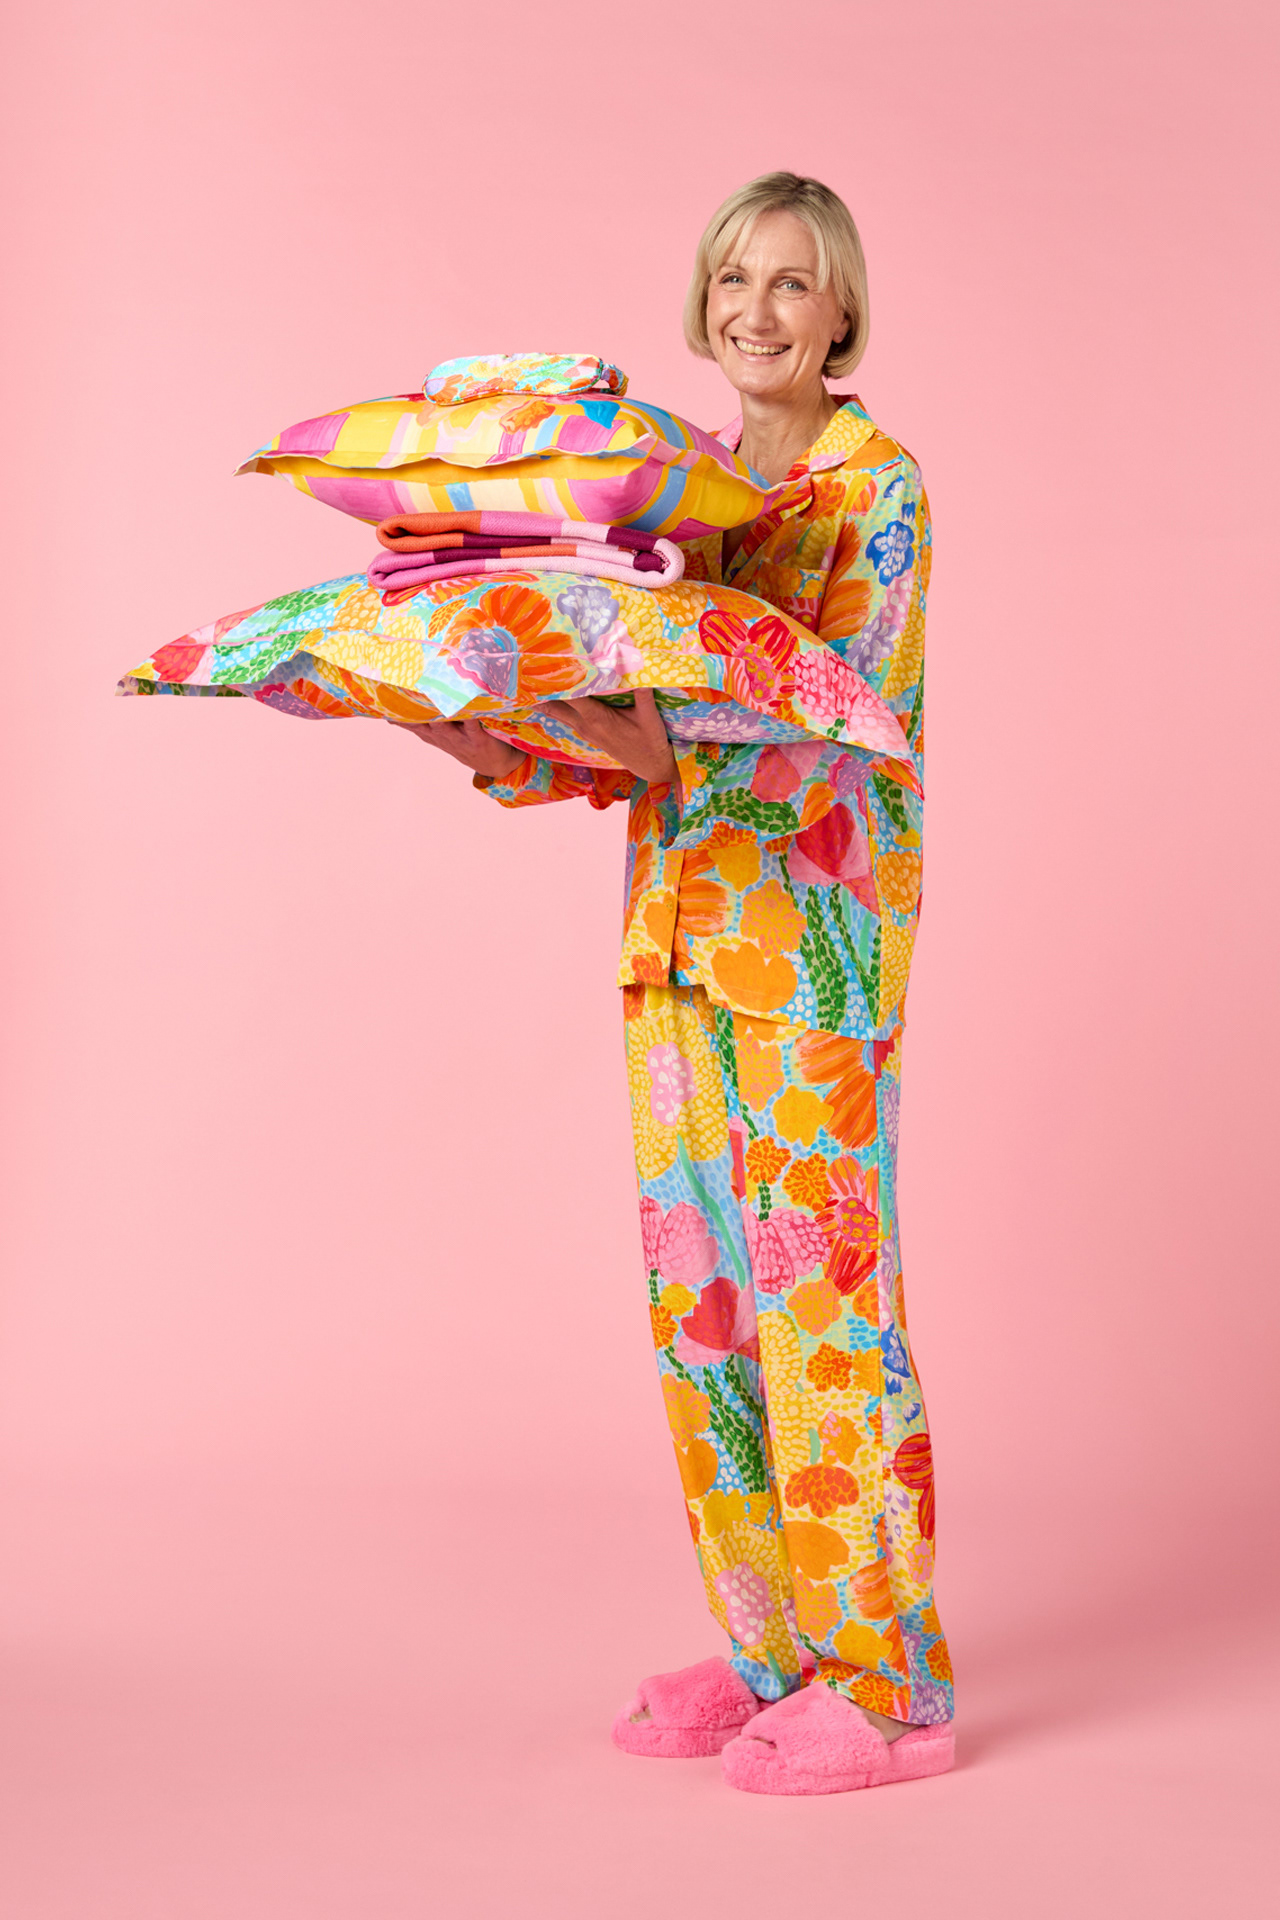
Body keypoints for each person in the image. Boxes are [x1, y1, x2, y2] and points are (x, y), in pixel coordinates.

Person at [402, 173, 953, 1795]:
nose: (755, 311)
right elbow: (628, 722)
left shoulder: (878, 489)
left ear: (841, 312)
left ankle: (889, 1689)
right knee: (705, 1311)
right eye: (732, 280)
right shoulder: (672, 492)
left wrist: (651, 748)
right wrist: (478, 731)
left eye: (790, 283)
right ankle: (775, 1653)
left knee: (824, 1316)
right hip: (672, 942)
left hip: (810, 956)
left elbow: (840, 708)